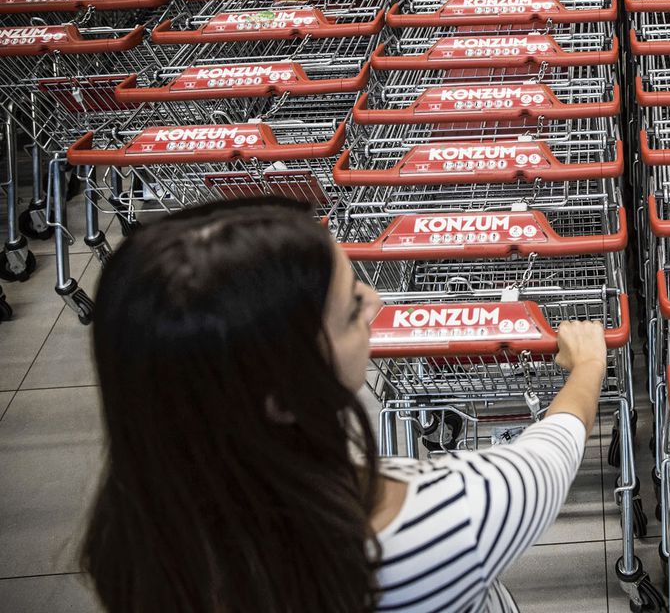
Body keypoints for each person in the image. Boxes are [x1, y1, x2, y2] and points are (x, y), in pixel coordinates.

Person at [81, 197, 608, 613]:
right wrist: (586, 366)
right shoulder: (446, 522)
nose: (376, 301)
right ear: (283, 392)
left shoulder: (133, 553)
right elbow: (547, 457)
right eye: (353, 305)